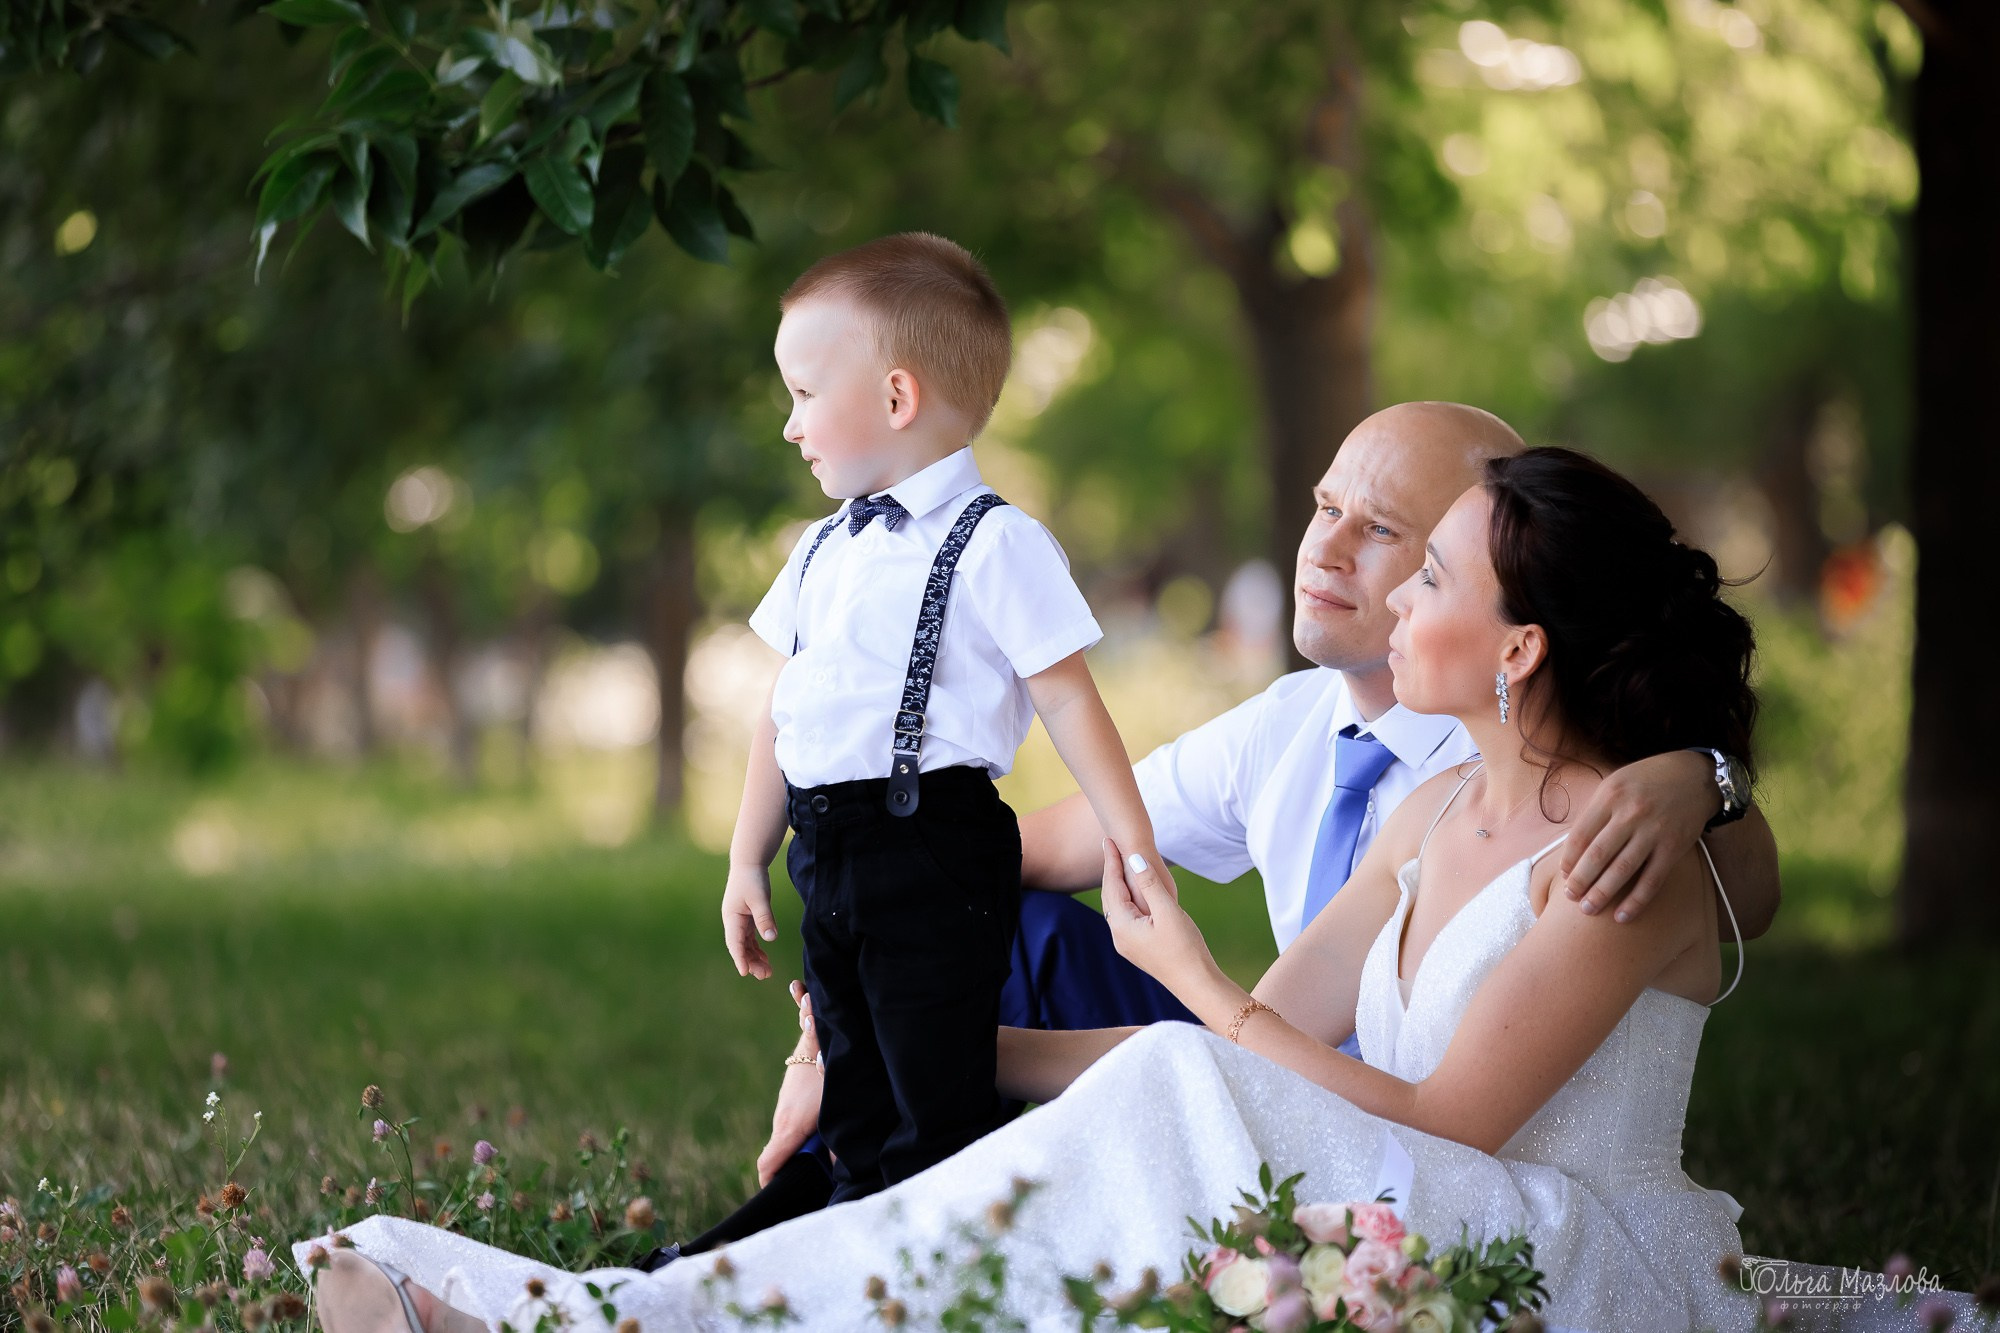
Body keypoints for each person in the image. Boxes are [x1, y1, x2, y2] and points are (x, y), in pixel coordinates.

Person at [301, 446, 1764, 1332]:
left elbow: (1441, 1117)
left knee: (1182, 1081)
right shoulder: (1439, 803)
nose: (1391, 596)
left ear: (1516, 651)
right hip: (1374, 1189)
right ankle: (650, 1308)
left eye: (1430, 575)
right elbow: (1270, 1044)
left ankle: (652, 1313)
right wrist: (938, 1048)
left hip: (1546, 1253)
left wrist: (1192, 986)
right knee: (1129, 1095)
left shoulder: (1621, 856)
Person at [695, 401, 1779, 1255]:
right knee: (988, 931)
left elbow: (1734, 890)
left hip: (1448, 1170)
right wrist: (864, 1024)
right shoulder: (1375, 776)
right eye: (1324, 507)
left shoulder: (1616, 820)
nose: (1334, 554)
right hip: (1277, 1082)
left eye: (1406, 548)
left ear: (1520, 640)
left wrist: (1703, 775)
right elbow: (1009, 872)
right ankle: (842, 1205)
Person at [719, 233, 1178, 1208]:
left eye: (802, 394)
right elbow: (783, 711)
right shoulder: (816, 551)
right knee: (850, 1070)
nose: (790, 426)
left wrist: (1129, 839)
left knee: (934, 1074)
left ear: (894, 398)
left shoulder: (998, 543)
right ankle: (853, 1236)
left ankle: (947, 1247)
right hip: (826, 849)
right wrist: (743, 856)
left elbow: (1066, 696)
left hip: (933, 845)